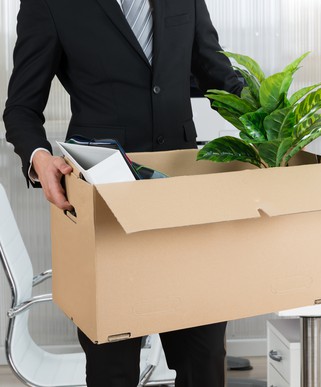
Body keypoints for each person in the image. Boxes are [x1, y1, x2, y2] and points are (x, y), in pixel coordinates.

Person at [3, 0, 243, 386]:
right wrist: (39, 157)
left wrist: (271, 120)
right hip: (105, 208)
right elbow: (20, 109)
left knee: (206, 356)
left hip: (184, 205)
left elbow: (217, 75)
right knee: (112, 368)